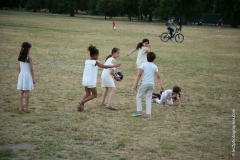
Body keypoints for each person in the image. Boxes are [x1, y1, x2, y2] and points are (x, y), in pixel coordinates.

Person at [78, 45, 121, 112]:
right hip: (90, 81)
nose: (98, 56)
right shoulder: (95, 62)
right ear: (95, 55)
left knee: (87, 94)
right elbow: (104, 66)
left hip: (85, 80)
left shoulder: (87, 61)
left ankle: (80, 107)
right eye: (97, 55)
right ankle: (81, 102)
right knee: (95, 94)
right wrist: (114, 65)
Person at [133, 52, 164, 119]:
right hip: (151, 84)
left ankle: (139, 111)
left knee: (138, 96)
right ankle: (148, 114)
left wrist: (135, 84)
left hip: (144, 83)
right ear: (154, 59)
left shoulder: (143, 64)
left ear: (146, 57)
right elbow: (158, 77)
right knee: (148, 98)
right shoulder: (154, 66)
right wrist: (161, 85)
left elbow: (139, 75)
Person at [17, 42, 35, 112]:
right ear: (28, 48)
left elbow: (19, 67)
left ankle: (21, 107)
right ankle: (27, 107)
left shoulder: (20, 56)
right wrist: (33, 78)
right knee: (27, 91)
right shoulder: (29, 57)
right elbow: (31, 68)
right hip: (27, 74)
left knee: (21, 91)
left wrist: (20, 75)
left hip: (21, 74)